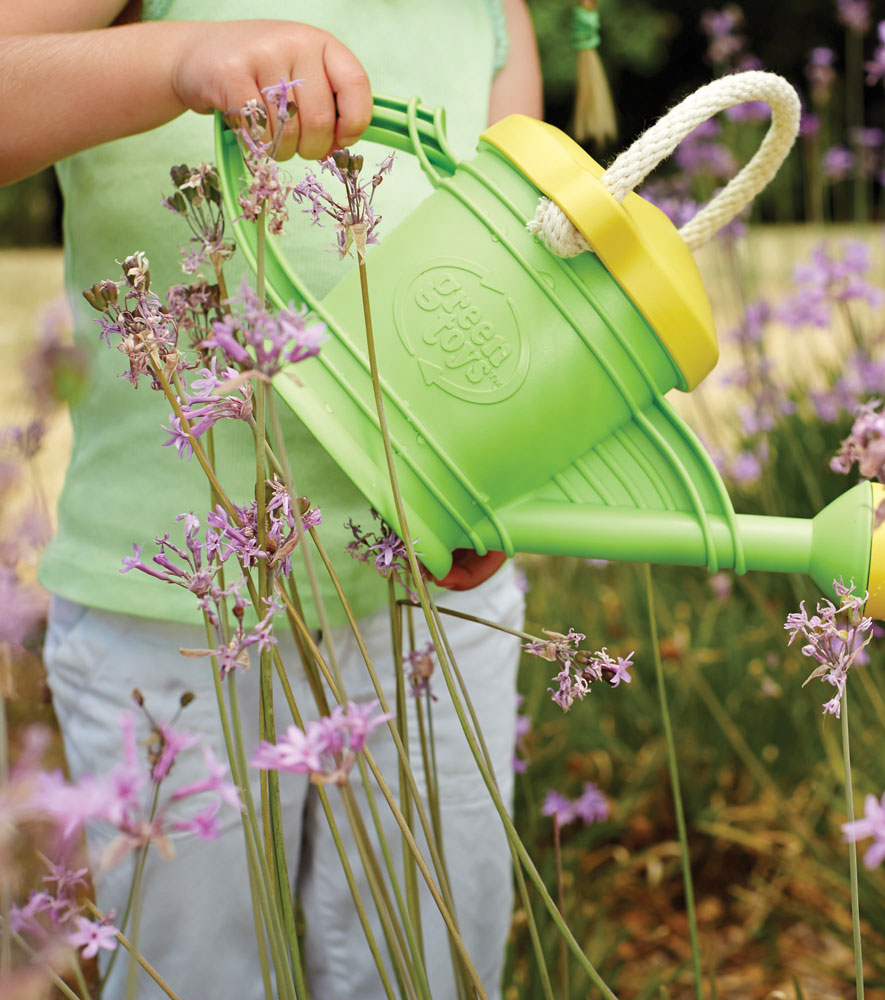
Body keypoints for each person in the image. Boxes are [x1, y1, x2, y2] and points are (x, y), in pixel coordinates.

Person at [2, 2, 542, 998]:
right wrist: (177, 58)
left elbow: (515, 271)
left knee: (431, 962)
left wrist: (498, 478)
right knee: (192, 972)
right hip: (172, 613)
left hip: (433, 598)